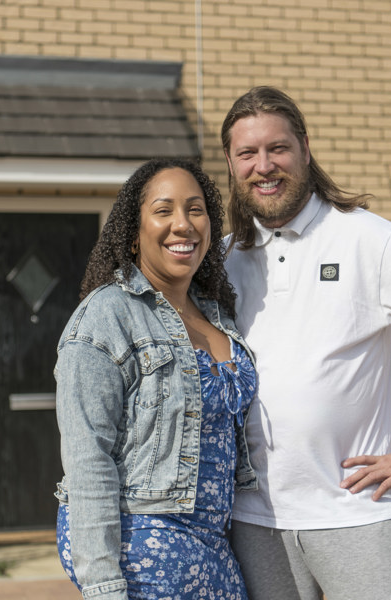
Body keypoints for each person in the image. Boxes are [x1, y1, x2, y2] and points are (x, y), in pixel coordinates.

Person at [220, 86, 391, 600]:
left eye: (278, 148)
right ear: (231, 162)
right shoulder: (222, 260)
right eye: (248, 153)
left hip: (355, 515)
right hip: (255, 522)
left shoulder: (368, 239)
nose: (264, 165)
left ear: (305, 149)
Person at [53, 158, 257, 600]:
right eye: (164, 211)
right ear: (133, 233)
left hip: (213, 542)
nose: (182, 224)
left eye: (195, 209)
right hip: (143, 536)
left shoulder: (218, 314)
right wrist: (104, 586)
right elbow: (89, 460)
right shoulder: (106, 316)